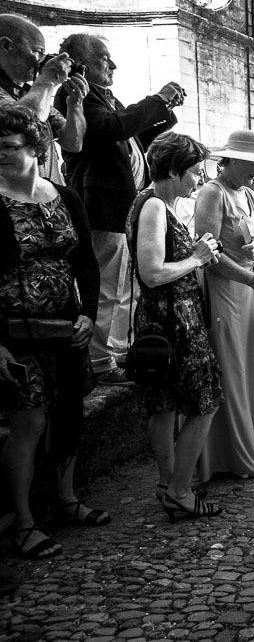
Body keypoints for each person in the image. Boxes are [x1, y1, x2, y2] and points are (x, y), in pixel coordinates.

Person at [0, 104, 105, 560]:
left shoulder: (64, 196)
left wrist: (89, 316)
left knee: (68, 413)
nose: (0, 154)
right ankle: (22, 522)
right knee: (30, 420)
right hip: (13, 333)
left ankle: (67, 500)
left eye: (8, 146)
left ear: (36, 148)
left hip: (67, 328)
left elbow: (86, 264)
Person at [54, 33, 182, 386]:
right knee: (107, 284)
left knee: (123, 284)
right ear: (80, 62)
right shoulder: (74, 94)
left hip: (118, 206)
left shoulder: (102, 97)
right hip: (102, 205)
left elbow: (131, 137)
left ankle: (114, 350)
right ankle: (99, 360)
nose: (113, 65)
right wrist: (156, 100)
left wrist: (164, 114)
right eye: (104, 59)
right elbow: (113, 127)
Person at [126, 131, 224, 520]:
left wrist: (197, 255)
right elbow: (150, 273)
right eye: (195, 172)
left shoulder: (157, 203)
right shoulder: (152, 206)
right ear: (172, 170)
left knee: (164, 406)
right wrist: (196, 259)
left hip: (171, 317)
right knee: (205, 402)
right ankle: (181, 489)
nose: (199, 180)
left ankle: (169, 484)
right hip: (173, 323)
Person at [194, 130, 254, 480]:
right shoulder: (212, 193)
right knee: (229, 371)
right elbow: (208, 253)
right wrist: (251, 279)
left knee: (247, 370)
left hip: (246, 292)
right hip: (223, 292)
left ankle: (250, 447)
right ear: (232, 159)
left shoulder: (249, 195)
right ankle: (230, 456)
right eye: (253, 164)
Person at [0, 14, 87, 185]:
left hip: (44, 196)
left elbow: (73, 143)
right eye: (38, 51)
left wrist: (75, 105)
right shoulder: (36, 91)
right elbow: (19, 129)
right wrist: (46, 80)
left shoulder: (29, 94)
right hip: (12, 202)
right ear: (6, 46)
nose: (41, 60)